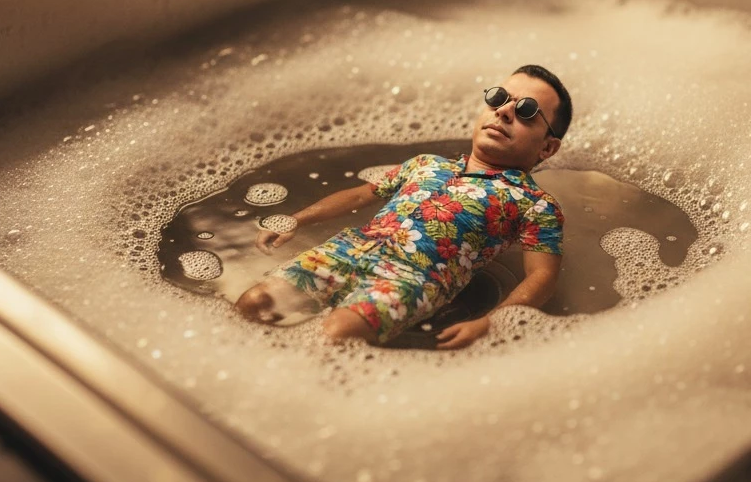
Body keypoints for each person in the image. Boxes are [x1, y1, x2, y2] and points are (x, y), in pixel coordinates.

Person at [236, 65, 571, 350]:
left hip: (411, 281)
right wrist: (296, 219)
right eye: (498, 98)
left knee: (333, 337)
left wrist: (491, 323)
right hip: (345, 249)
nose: (504, 111)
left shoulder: (535, 204)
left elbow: (542, 277)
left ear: (547, 147)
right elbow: (358, 196)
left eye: (526, 110)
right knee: (252, 304)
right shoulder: (425, 163)